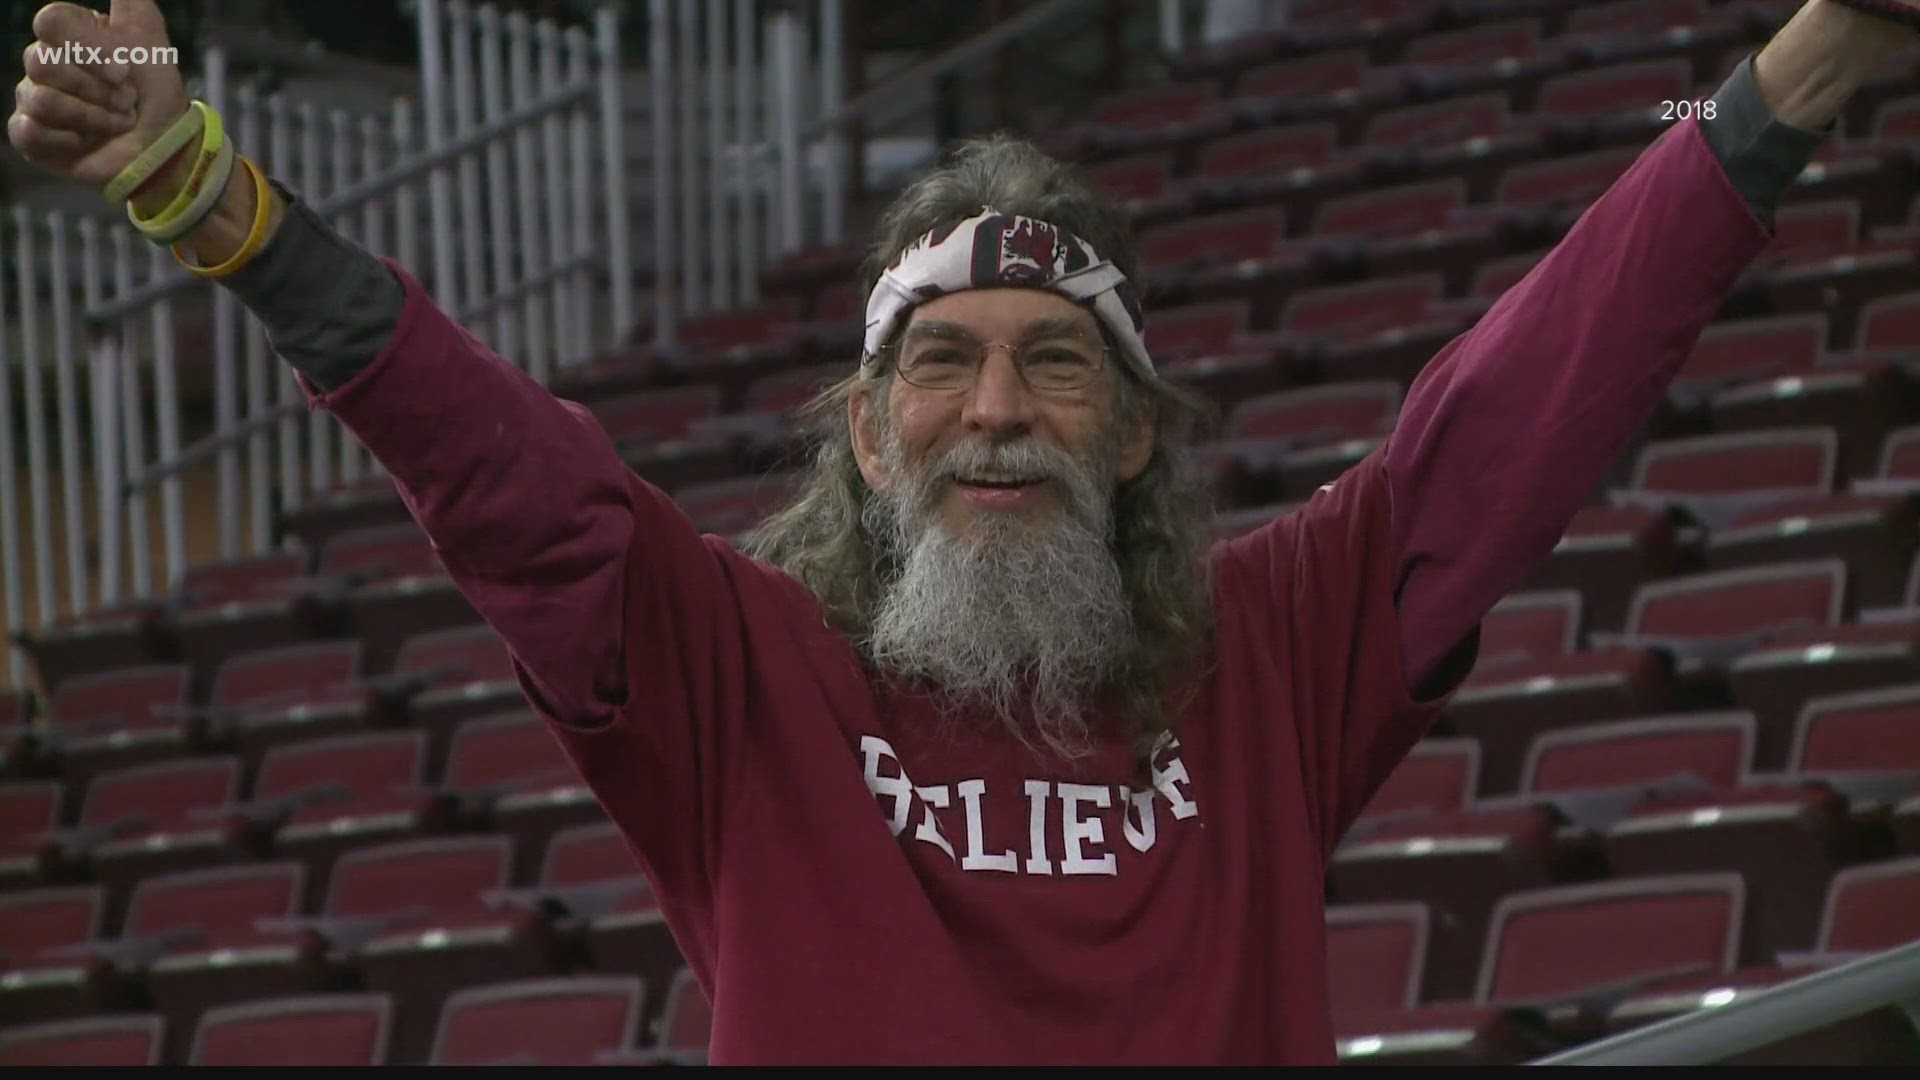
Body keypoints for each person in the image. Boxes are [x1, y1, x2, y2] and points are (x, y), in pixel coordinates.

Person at [11, 0, 1918, 1065]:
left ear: (1141, 434)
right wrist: (207, 194)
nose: (995, 410)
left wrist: (1811, 63)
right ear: (863, 427)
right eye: (941, 364)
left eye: (1054, 367)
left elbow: (1520, 408)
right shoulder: (737, 687)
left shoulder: (1271, 657)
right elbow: (496, 466)